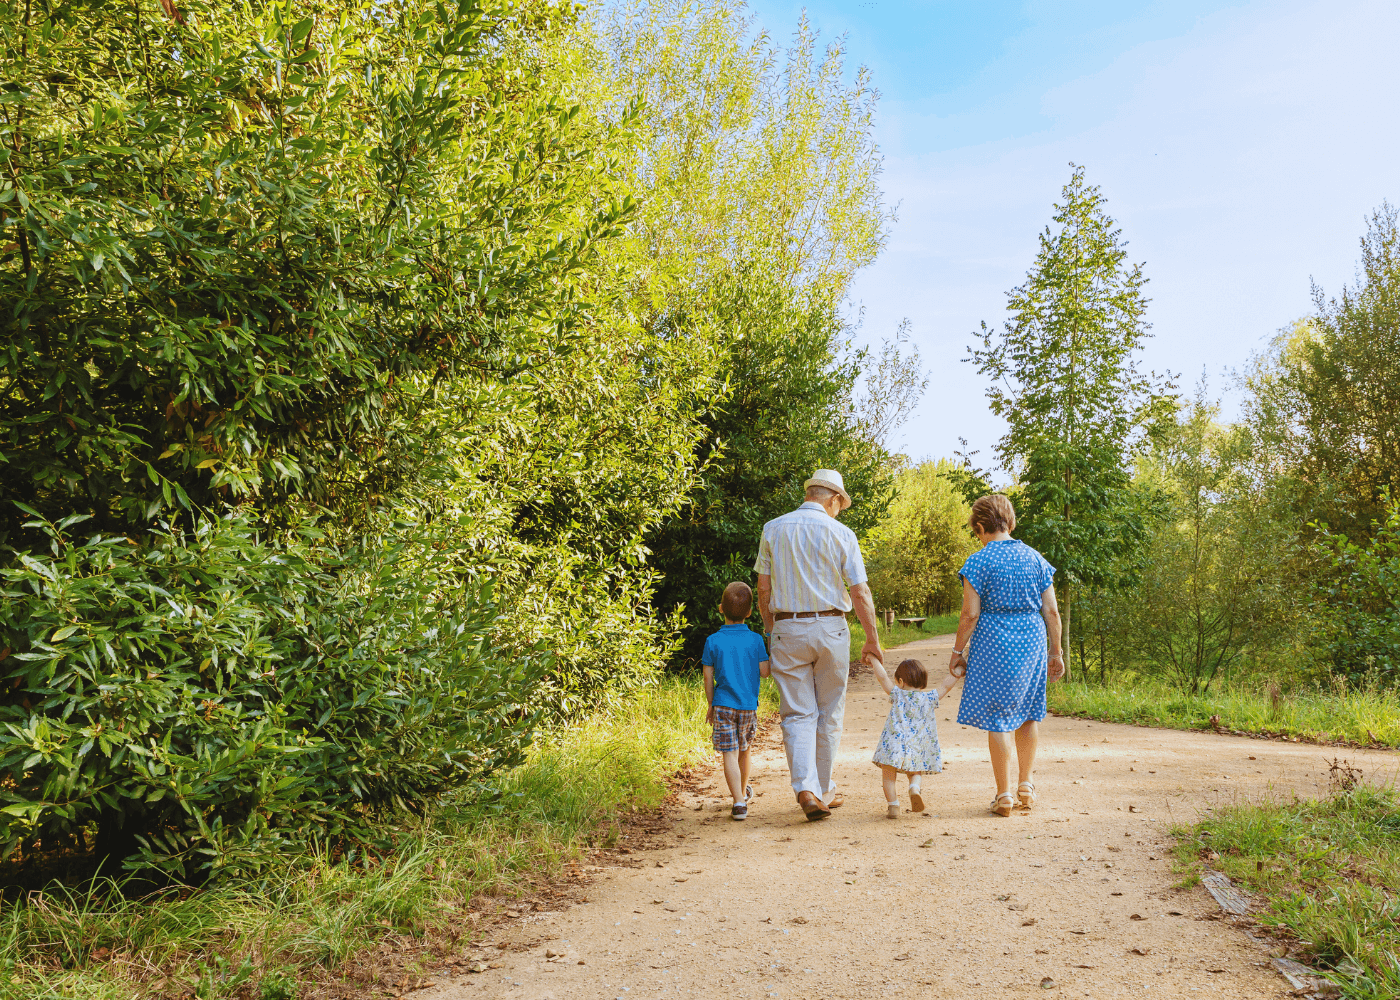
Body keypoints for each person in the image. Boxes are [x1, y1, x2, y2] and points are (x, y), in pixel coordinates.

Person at [754, 469, 883, 821]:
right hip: (830, 628)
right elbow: (859, 591)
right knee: (829, 712)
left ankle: (806, 789)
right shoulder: (841, 533)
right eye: (841, 504)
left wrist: (772, 631)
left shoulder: (773, 528)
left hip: (787, 628)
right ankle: (823, 790)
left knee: (797, 713)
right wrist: (872, 639)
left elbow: (763, 589)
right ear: (833, 499)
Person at [949, 494, 1065, 817]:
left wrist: (958, 652)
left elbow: (969, 615)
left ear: (982, 527)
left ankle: (1003, 795)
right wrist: (1055, 651)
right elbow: (1052, 612)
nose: (979, 538)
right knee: (1029, 711)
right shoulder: (1036, 559)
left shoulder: (978, 561)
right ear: (1010, 523)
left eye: (978, 532)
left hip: (993, 641)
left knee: (998, 717)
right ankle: (1025, 785)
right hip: (1031, 639)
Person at [701, 581, 772, 821]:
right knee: (745, 750)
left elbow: (708, 677)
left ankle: (739, 802)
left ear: (721, 608)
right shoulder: (755, 640)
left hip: (722, 704)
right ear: (750, 612)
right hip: (748, 706)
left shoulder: (712, 641)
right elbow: (765, 672)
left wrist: (711, 704)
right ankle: (741, 793)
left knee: (728, 753)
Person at [869, 656, 960, 819]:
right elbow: (946, 686)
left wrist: (873, 659)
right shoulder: (929, 697)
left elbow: (882, 677)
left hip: (894, 743)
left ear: (900, 681)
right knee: (915, 772)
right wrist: (958, 672)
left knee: (888, 774)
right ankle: (914, 788)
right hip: (918, 745)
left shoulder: (897, 694)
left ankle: (893, 806)